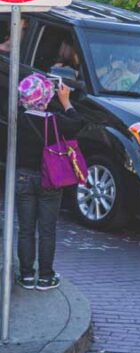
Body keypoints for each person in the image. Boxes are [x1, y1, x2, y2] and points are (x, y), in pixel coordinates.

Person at [15, 72, 83, 290]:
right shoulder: (56, 121)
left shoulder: (18, 118)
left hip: (24, 177)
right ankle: (45, 276)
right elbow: (78, 123)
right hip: (50, 179)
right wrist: (65, 101)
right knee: (47, 230)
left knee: (25, 229)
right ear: (47, 97)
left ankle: (26, 275)